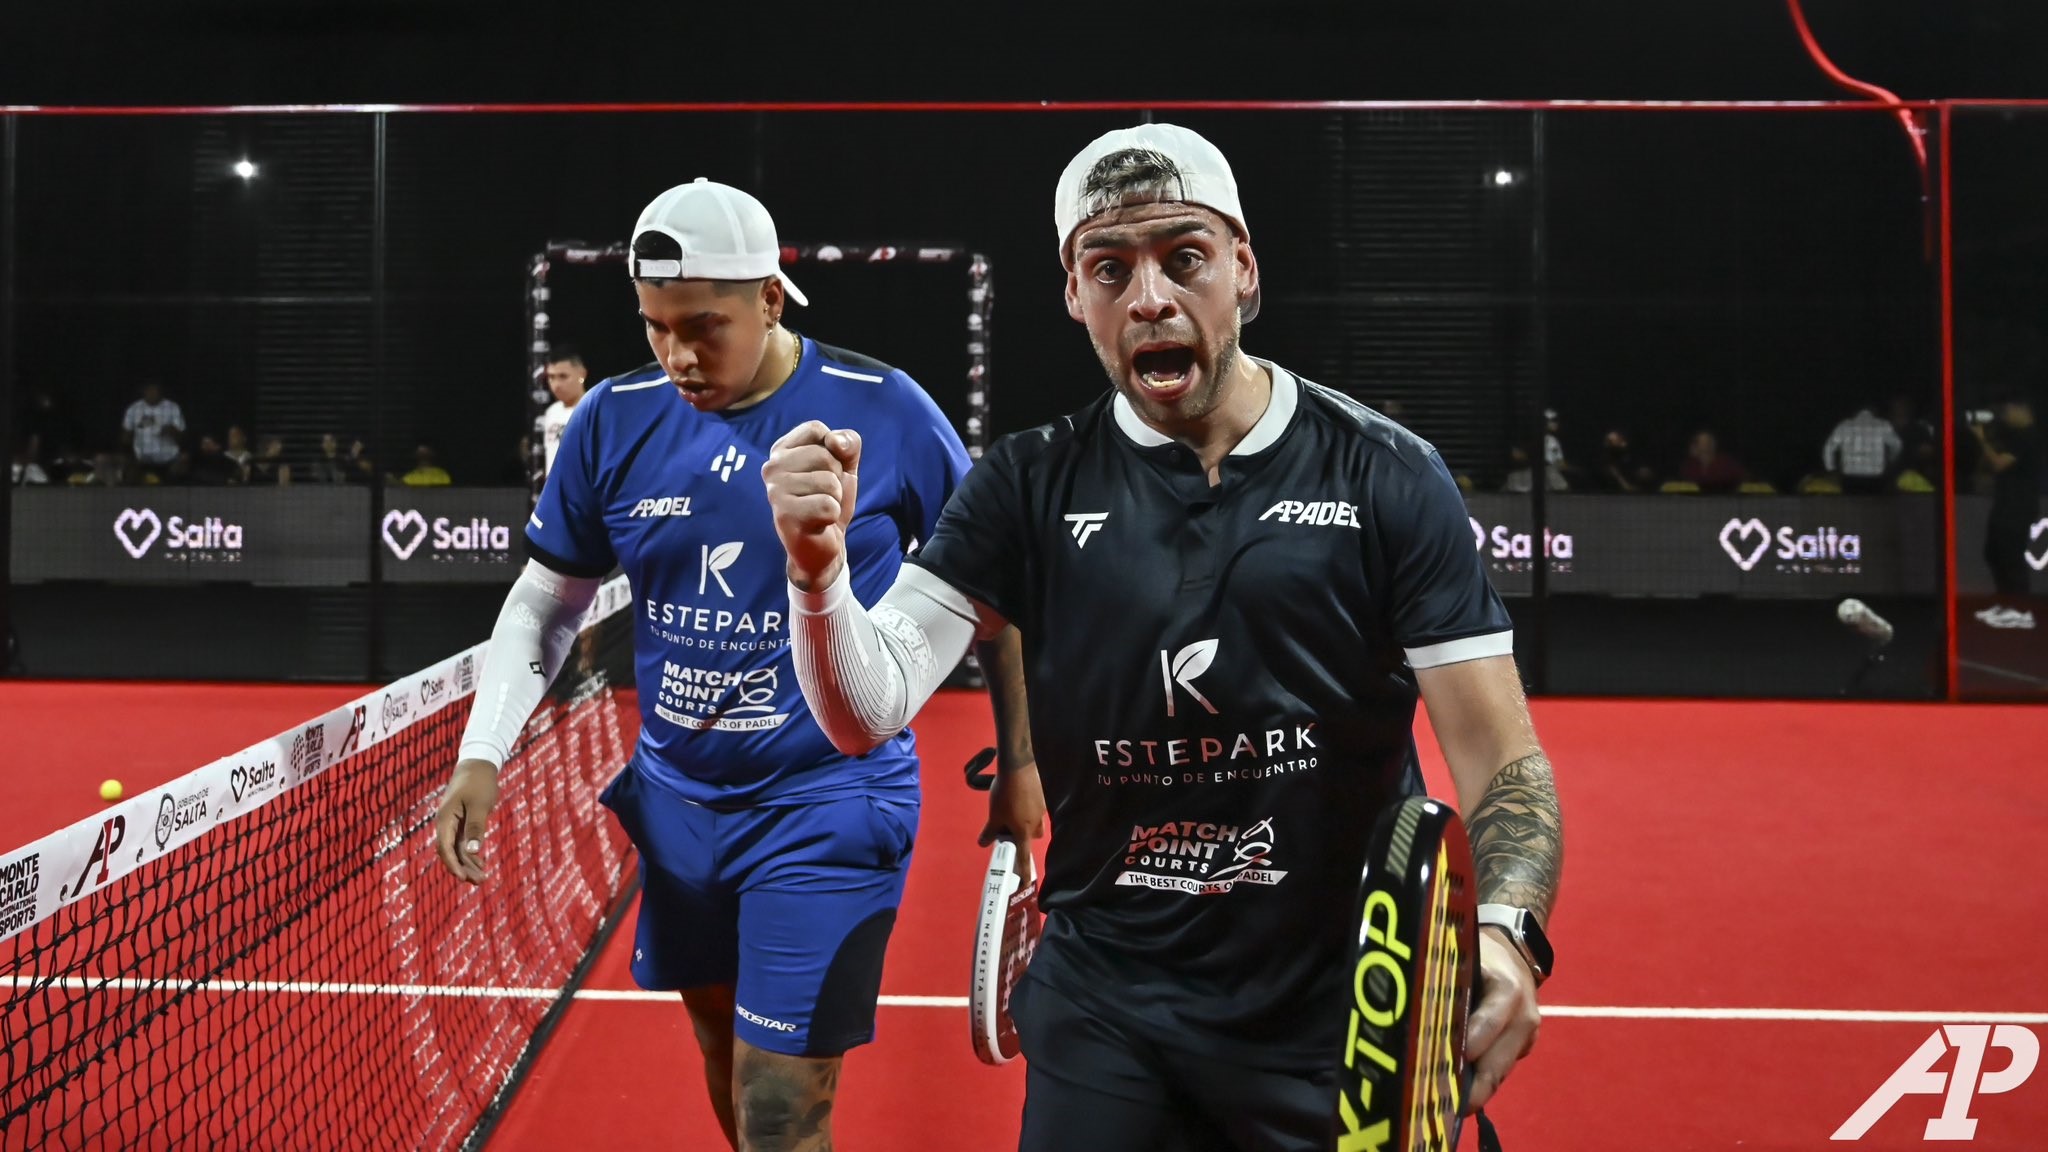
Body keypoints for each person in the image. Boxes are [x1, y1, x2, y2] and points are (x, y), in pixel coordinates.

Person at [763, 123, 1563, 1151]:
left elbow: (1501, 759)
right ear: (1073, 297)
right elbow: (864, 709)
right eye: (1109, 268)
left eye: (1182, 258)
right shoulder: (1022, 488)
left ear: (1242, 270)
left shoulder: (1381, 473)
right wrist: (816, 575)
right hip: (1110, 1011)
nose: (1148, 296)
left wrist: (1502, 934)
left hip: (1342, 1016)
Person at [433, 177, 1025, 1152]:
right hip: (678, 807)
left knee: (781, 1104)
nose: (676, 354)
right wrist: (484, 750)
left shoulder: (888, 411)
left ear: (771, 299)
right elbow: (548, 600)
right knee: (723, 1058)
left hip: (827, 802)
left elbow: (999, 598)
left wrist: (1025, 763)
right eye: (656, 326)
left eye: (703, 325)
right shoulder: (612, 422)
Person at [1971, 394, 2041, 595]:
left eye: (2007, 411)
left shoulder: (2027, 436)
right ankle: (2006, 599)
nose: (2004, 416)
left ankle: (2018, 605)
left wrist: (1981, 438)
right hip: (2005, 504)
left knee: (2010, 556)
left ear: (2021, 409)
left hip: (2018, 506)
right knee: (1994, 553)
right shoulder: (2013, 436)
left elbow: (1999, 464)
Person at [539, 346, 590, 477]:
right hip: (555, 490)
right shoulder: (551, 412)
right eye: (551, 377)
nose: (556, 384)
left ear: (582, 374)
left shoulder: (593, 410)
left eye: (563, 376)